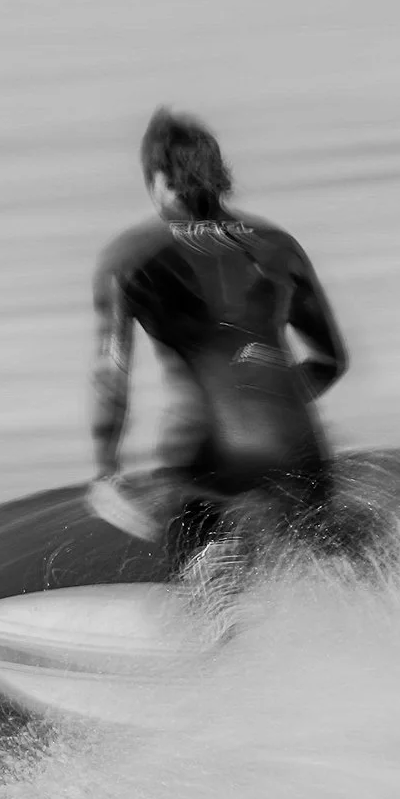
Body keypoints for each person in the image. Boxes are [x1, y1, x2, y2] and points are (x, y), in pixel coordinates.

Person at [90, 108, 351, 568]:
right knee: (321, 561)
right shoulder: (278, 244)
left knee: (208, 571)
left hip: (210, 446)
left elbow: (112, 376)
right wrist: (272, 401)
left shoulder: (131, 256)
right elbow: (331, 360)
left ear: (158, 179)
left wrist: (106, 470)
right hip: (298, 441)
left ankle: (214, 595)